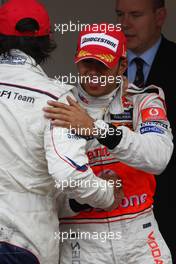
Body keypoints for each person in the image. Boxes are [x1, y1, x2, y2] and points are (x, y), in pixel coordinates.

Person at [0, 2, 121, 264]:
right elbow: (70, 175)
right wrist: (107, 194)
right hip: (22, 240)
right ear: (46, 41)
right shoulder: (53, 96)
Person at [43, 23, 173, 263]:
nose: (93, 72)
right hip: (82, 242)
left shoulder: (143, 101)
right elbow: (46, 188)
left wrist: (96, 129)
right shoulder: (60, 106)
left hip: (141, 238)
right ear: (76, 60)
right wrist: (84, 198)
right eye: (87, 63)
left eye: (102, 65)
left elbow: (159, 157)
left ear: (122, 65)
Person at [115, 0, 176, 260]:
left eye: (135, 15)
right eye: (120, 14)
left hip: (169, 204)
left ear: (160, 16)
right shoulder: (102, 66)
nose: (125, 23)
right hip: (113, 208)